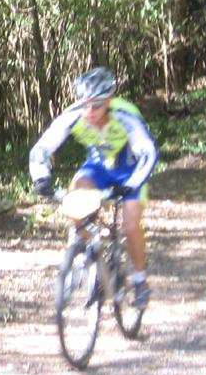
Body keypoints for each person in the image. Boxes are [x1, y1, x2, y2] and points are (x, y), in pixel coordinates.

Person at [29, 66, 158, 311]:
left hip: (130, 170)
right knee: (75, 194)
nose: (89, 111)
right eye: (85, 103)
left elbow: (148, 153)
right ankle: (83, 254)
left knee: (131, 225)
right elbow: (41, 149)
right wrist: (41, 179)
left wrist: (129, 185)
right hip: (98, 168)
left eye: (96, 105)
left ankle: (140, 282)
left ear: (109, 101)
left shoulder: (125, 117)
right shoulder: (74, 115)